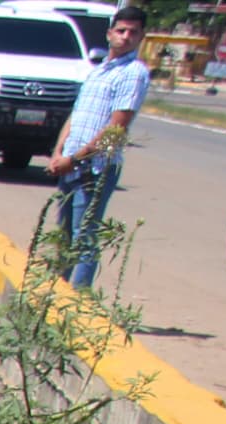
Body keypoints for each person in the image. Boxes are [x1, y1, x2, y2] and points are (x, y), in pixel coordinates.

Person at [48, 7, 150, 290]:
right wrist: (59, 153)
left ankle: (76, 300)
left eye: (133, 32)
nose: (126, 36)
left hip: (95, 167)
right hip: (70, 162)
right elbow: (76, 115)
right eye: (121, 30)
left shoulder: (133, 74)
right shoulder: (98, 72)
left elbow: (116, 130)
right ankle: (57, 294)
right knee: (64, 235)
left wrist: (76, 160)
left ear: (142, 36)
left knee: (85, 236)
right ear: (109, 34)